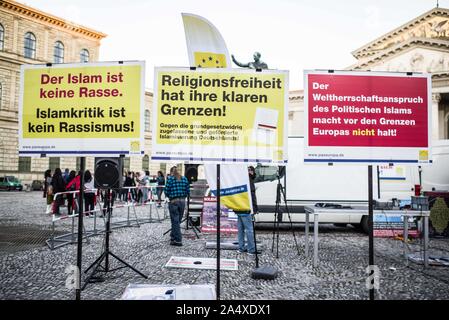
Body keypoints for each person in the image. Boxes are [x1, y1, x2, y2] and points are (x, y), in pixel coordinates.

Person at [235, 166, 259, 255]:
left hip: (239, 208)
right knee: (249, 230)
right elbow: (252, 195)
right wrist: (255, 208)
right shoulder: (249, 180)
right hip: (246, 208)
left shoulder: (239, 179)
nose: (251, 172)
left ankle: (241, 248)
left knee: (241, 230)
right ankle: (251, 249)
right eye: (250, 170)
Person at [164, 166, 190, 246]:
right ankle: (173, 237)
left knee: (175, 221)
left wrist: (169, 196)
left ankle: (178, 240)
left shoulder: (170, 179)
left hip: (173, 201)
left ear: (171, 172)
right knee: (177, 221)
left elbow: (166, 191)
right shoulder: (184, 179)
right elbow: (188, 190)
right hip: (182, 201)